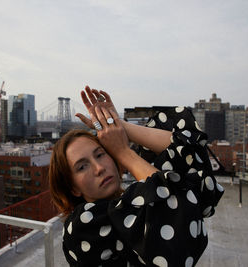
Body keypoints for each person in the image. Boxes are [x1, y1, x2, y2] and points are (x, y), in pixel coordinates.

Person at [49, 86, 224, 267]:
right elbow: (179, 212)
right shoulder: (82, 227)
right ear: (73, 188)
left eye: (100, 154)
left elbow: (189, 153)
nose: (99, 168)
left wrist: (119, 125)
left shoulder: (134, 201)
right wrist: (124, 151)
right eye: (82, 167)